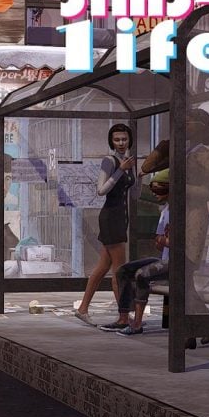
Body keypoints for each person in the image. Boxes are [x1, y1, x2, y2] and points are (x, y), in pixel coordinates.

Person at [74, 123, 137, 325]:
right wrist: (121, 171)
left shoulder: (127, 161)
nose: (121, 143)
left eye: (124, 139)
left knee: (102, 267)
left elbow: (133, 192)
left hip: (120, 217)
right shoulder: (109, 161)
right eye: (117, 139)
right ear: (111, 141)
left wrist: (139, 174)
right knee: (120, 271)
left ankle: (83, 308)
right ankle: (123, 315)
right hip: (111, 217)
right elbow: (101, 190)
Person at [98, 169, 171, 335]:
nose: (156, 195)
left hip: (176, 262)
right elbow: (159, 242)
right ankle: (124, 317)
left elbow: (176, 243)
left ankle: (137, 323)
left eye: (160, 190)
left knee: (141, 274)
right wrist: (164, 241)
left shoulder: (181, 211)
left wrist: (165, 241)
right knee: (123, 270)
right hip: (164, 258)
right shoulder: (165, 211)